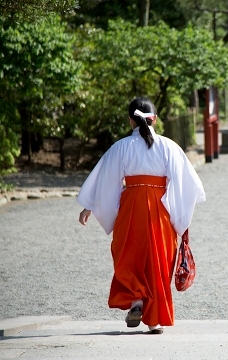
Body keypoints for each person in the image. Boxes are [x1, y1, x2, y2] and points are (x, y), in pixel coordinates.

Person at [77, 97, 206, 334]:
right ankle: (154, 319)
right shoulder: (169, 147)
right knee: (158, 260)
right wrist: (181, 215)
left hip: (131, 206)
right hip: (161, 208)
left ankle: (136, 300)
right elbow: (186, 185)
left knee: (128, 253)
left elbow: (105, 181)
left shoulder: (121, 147)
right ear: (154, 119)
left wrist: (90, 205)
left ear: (130, 121)